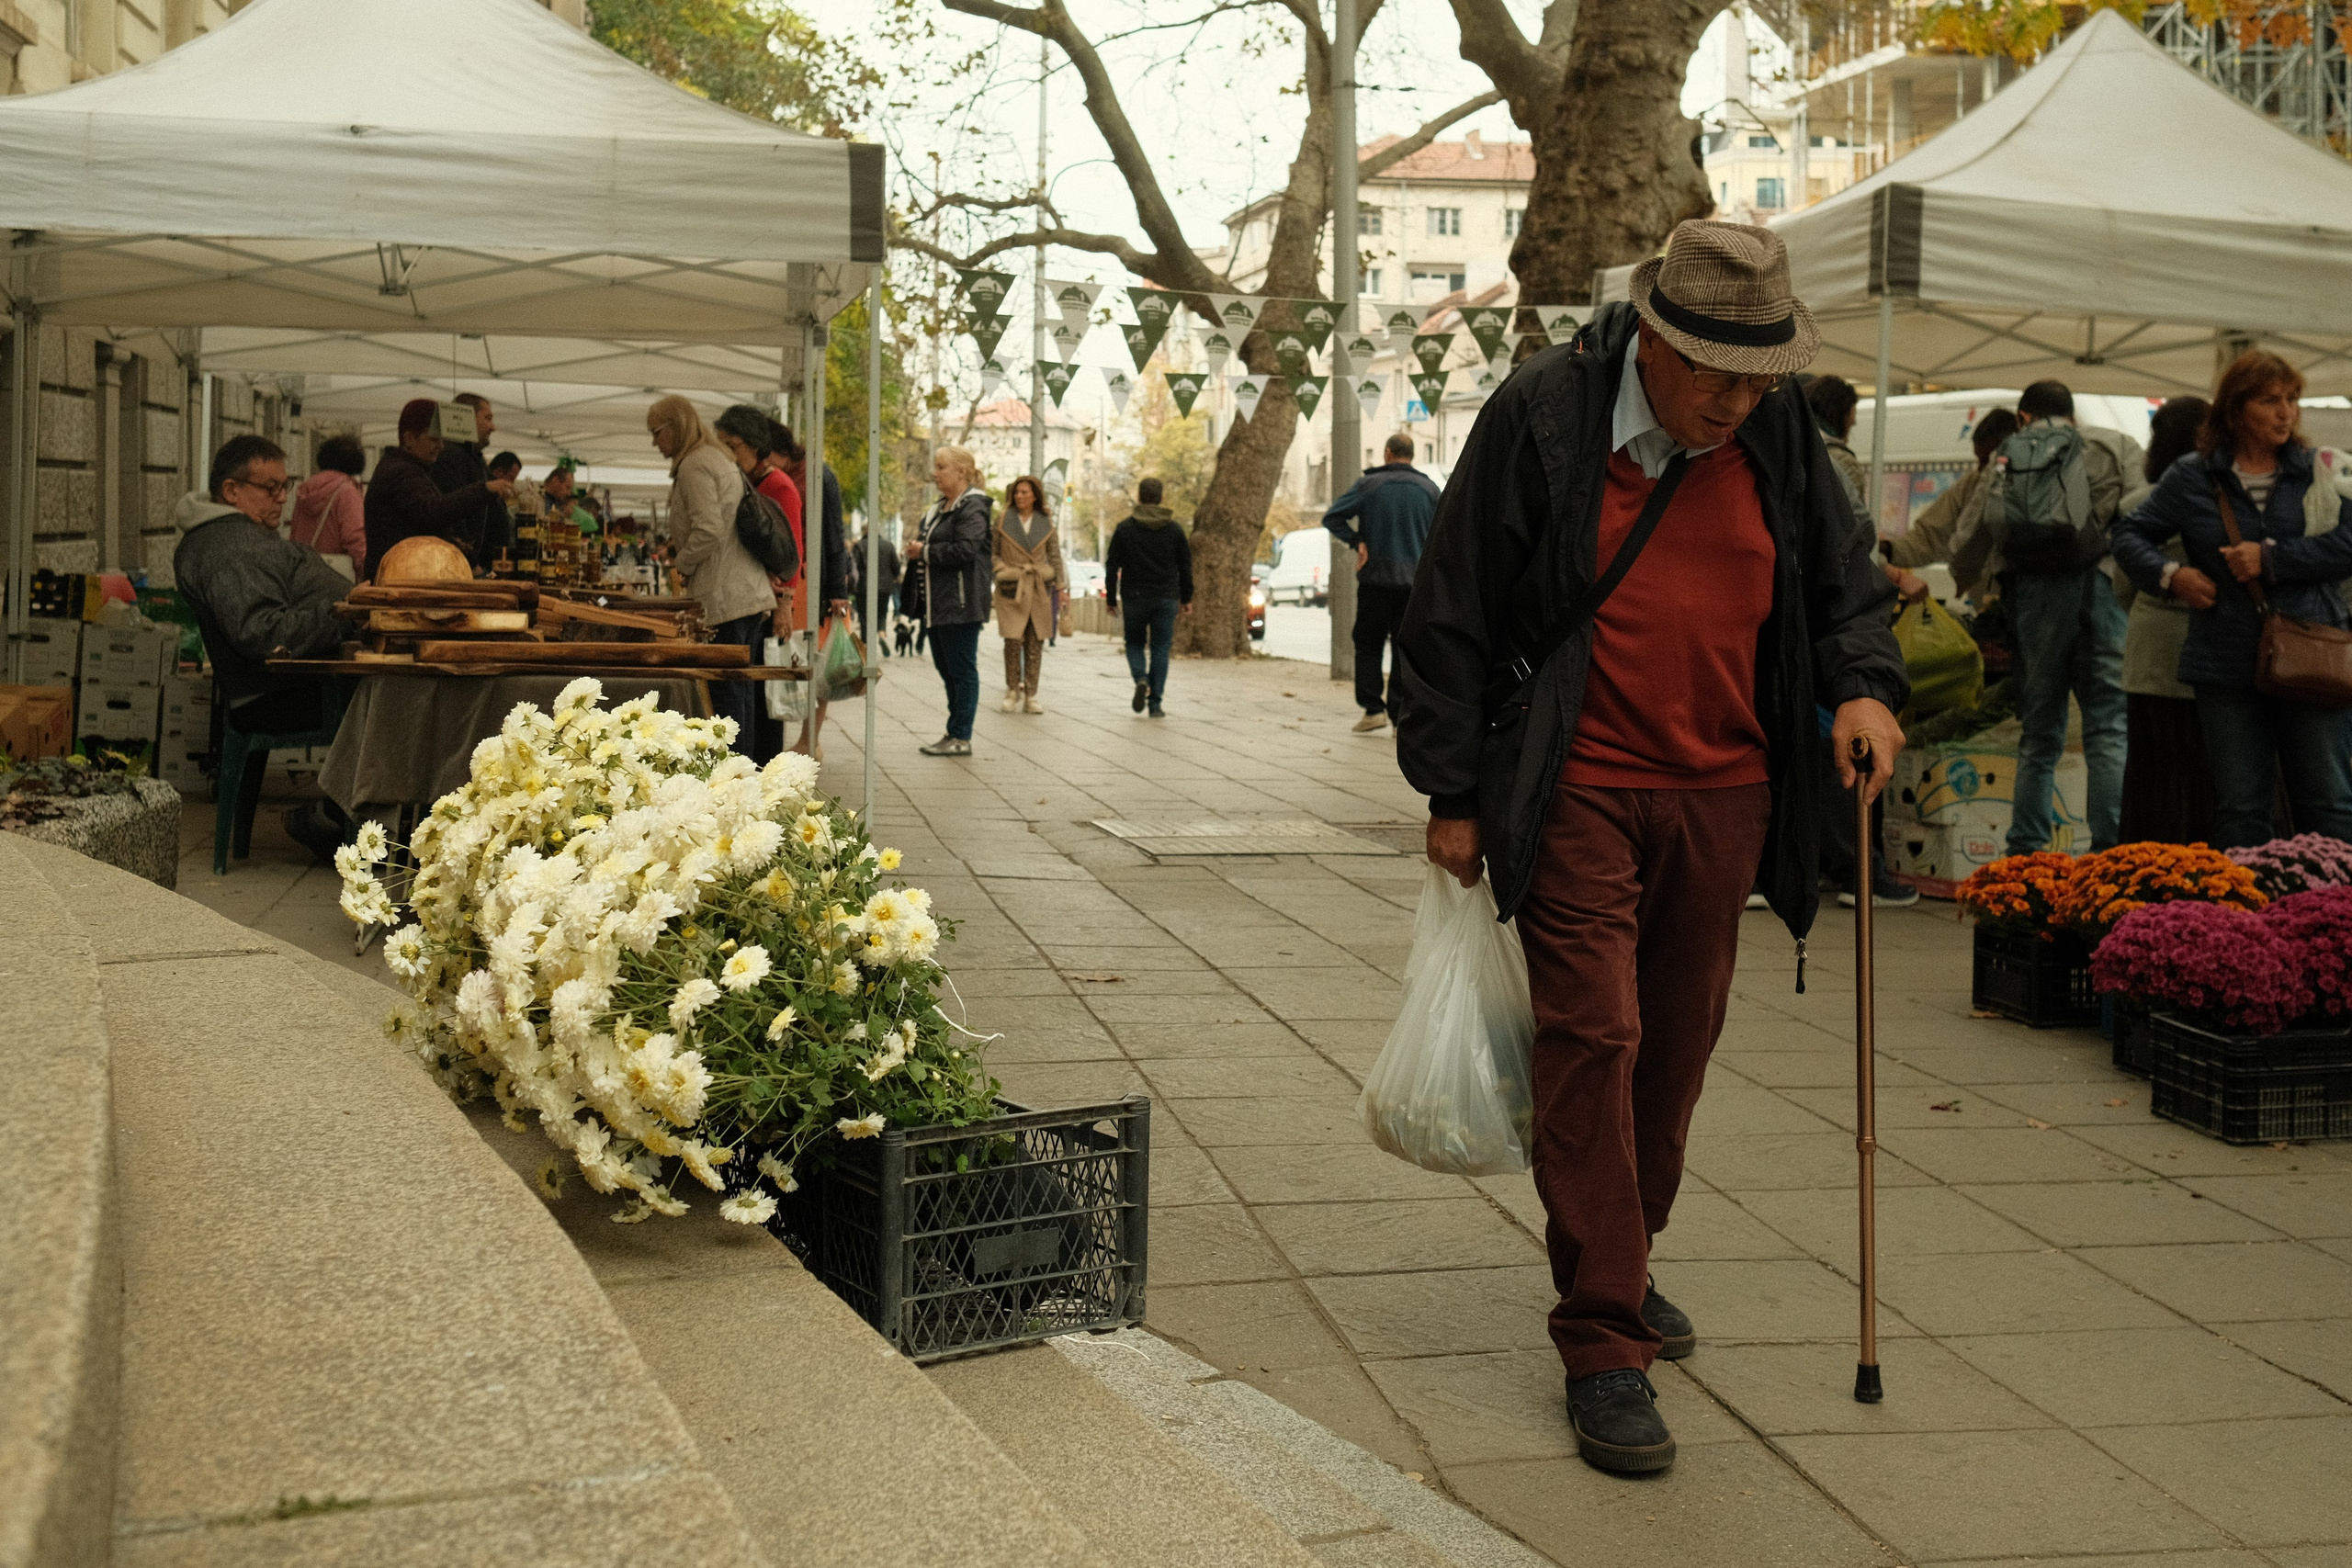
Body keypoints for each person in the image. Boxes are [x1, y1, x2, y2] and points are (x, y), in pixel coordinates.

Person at [1394, 220, 1906, 1475]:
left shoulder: (1773, 430)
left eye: (1758, 376)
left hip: (1727, 787)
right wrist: (1452, 786)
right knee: (1596, 1033)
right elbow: (1452, 600)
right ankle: (1604, 1335)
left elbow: (1844, 581)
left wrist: (1863, 686)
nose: (1736, 401)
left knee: (1674, 1046)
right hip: (1578, 782)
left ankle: (1621, 1251)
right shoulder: (1547, 412)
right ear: (1660, 343)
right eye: (1716, 376)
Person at [2114, 351, 2352, 847]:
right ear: (2236, 409)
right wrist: (2169, 575)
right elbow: (2129, 533)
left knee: (2328, 802)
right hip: (2224, 661)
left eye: (2291, 399)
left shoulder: (2320, 470)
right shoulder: (2192, 476)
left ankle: (2334, 916)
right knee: (2241, 807)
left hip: (2312, 653)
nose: (2285, 411)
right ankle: (2248, 921)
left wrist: (2272, 559)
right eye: (2270, 400)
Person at [1960, 381, 2140, 857]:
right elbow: (2143, 514)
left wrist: (1970, 584)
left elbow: (1971, 535)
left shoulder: (2008, 454)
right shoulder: (2115, 445)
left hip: (2035, 596)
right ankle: (2112, 853)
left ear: (2023, 417)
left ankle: (2026, 852)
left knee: (2040, 734)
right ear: (2072, 412)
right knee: (2107, 727)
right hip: (2100, 587)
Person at [173, 434, 362, 862]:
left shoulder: (237, 536)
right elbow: (261, 633)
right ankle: (334, 819)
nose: (282, 499)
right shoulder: (228, 547)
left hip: (291, 685)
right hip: (276, 696)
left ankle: (341, 816)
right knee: (394, 700)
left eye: (285, 486)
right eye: (270, 488)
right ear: (231, 491)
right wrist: (344, 613)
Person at [2115, 397, 2220, 843]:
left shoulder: (2135, 503)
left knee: (2152, 774)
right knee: (2206, 776)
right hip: (2215, 652)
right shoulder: (2221, 499)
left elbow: (2123, 587)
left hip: (2150, 655)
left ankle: (2145, 877)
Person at [646, 395, 774, 758]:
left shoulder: (695, 464)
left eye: (656, 433)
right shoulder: (716, 457)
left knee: (728, 696)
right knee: (739, 691)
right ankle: (744, 772)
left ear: (676, 427)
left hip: (725, 597)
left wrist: (681, 565)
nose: (655, 442)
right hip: (742, 594)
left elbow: (708, 529)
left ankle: (734, 775)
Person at [1324, 432, 1441, 733]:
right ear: (1411, 455)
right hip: (1414, 586)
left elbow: (1333, 517)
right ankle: (1400, 714)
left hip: (1375, 581)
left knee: (1368, 644)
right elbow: (1444, 533)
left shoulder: (1369, 485)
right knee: (1405, 648)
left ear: (1388, 453)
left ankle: (1372, 709)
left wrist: (1357, 541)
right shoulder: (1430, 489)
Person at [904, 446, 993, 755]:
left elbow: (966, 549)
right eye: (936, 467)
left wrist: (924, 551)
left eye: (942, 467)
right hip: (937, 604)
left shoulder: (974, 506)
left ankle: (961, 736)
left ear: (962, 472)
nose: (935, 474)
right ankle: (954, 731)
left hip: (962, 604)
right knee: (947, 670)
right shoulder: (939, 508)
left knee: (962, 670)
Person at [364, 399, 514, 579]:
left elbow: (425, 521)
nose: (441, 446)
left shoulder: (409, 469)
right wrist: (484, 489)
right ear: (409, 439)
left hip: (403, 578)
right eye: (434, 439)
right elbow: (432, 511)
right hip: (399, 580)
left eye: (442, 440)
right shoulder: (401, 472)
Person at [774, 419, 853, 758]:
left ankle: (810, 739)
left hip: (813, 580)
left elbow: (834, 533)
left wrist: (838, 590)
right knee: (791, 657)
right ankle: (805, 739)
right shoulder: (786, 475)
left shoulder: (819, 475)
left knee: (816, 663)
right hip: (793, 577)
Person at [1884, 408, 2019, 601]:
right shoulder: (1972, 484)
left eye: (1986, 461)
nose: (1981, 469)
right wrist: (1889, 550)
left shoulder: (2026, 490)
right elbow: (1930, 536)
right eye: (1978, 460)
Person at [1104, 477, 1193, 718]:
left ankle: (1141, 678)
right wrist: (1187, 598)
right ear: (1161, 497)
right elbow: (1185, 566)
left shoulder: (1125, 528)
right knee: (1161, 648)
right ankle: (1155, 704)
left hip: (1134, 596)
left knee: (1133, 643)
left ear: (1139, 496)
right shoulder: (1174, 530)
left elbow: (1112, 566)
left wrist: (1111, 599)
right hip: (1166, 597)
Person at [994, 475, 1065, 713]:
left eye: (1025, 492)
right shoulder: (1003, 520)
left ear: (1035, 495)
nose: (1020, 496)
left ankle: (1031, 695)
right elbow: (990, 551)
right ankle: (1013, 690)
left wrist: (1061, 587)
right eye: (1017, 492)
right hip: (1012, 587)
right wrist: (1001, 568)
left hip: (1038, 588)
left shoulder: (1046, 523)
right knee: (1012, 640)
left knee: (1036, 641)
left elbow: (1054, 555)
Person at [429, 393, 514, 567]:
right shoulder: (452, 457)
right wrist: (470, 563)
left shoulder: (474, 458)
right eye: (488, 418)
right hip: (465, 568)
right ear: (466, 418)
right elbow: (453, 514)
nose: (493, 427)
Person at [288, 434, 369, 580]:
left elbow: (294, 534)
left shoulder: (306, 489)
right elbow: (355, 538)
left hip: (303, 573)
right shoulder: (347, 491)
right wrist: (366, 574)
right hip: (335, 576)